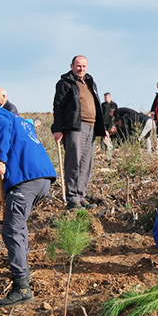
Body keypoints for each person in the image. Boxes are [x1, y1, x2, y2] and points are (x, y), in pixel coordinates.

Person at [0, 93, 57, 306]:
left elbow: (1, 134)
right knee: (18, 226)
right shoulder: (18, 119)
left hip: (27, 179)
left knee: (12, 230)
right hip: (42, 178)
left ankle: (22, 287)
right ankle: (21, 269)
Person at [52, 56, 106, 210]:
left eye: (83, 66)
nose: (81, 69)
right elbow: (58, 106)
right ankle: (72, 198)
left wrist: (103, 129)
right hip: (75, 127)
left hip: (92, 127)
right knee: (73, 162)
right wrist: (57, 128)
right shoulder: (65, 83)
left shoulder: (90, 82)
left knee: (86, 164)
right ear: (72, 66)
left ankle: (80, 196)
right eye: (78, 66)